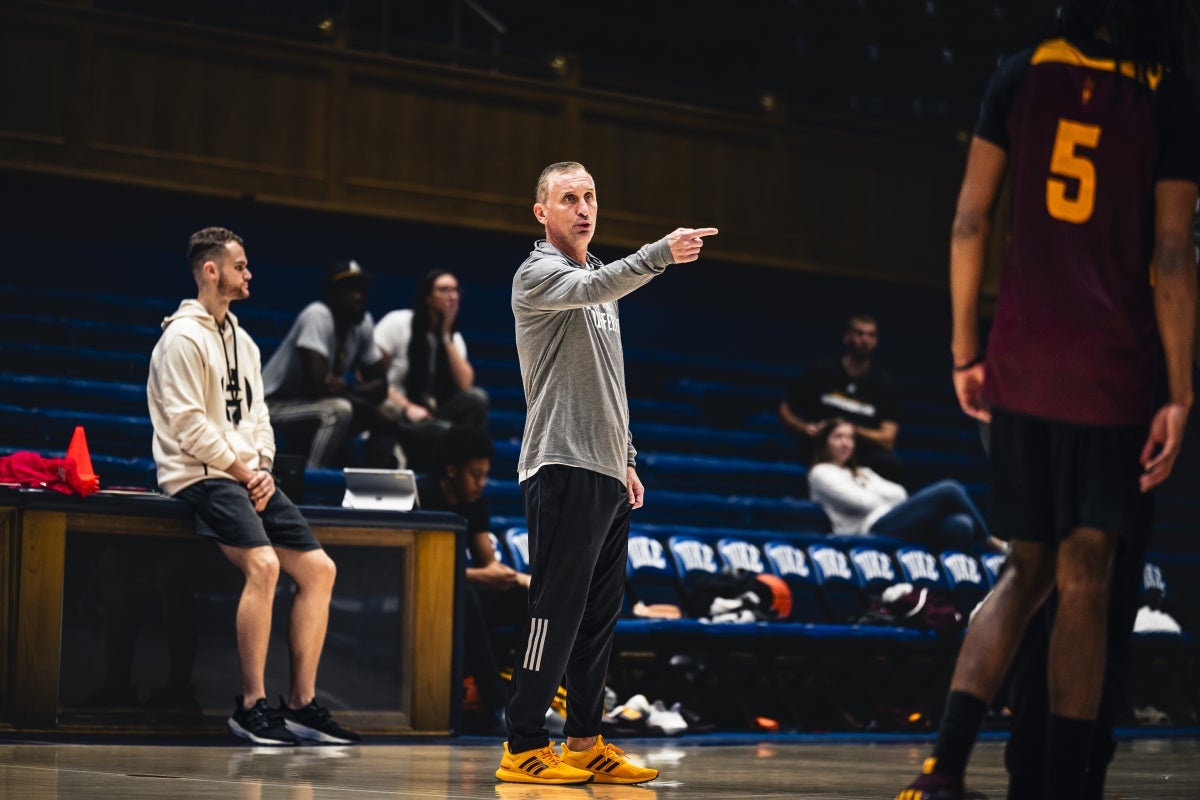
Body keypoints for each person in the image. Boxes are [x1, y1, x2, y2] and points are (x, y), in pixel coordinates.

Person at [896, 2, 1198, 798]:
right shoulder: (1164, 91)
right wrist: (1180, 387)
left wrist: (967, 348)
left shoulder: (1019, 72)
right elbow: (1172, 251)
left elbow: (969, 220)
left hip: (1021, 357)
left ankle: (943, 767)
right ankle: (1066, 783)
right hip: (1110, 367)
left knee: (1022, 569)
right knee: (1088, 578)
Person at [496, 160, 717, 785]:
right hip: (559, 463)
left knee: (598, 614)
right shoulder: (538, 273)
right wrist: (660, 254)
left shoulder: (598, 278)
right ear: (542, 212)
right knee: (554, 610)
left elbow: (609, 379)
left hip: (603, 470)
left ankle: (585, 740)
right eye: (569, 198)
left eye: (590, 196)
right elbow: (602, 286)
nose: (584, 207)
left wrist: (626, 458)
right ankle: (523, 744)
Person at [148, 227, 359, 746]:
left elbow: (261, 417)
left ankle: (301, 706)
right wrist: (245, 473)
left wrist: (262, 466)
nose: (249, 274)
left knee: (319, 570)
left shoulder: (243, 340)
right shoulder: (180, 338)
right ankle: (249, 706)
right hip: (199, 475)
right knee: (264, 566)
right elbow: (189, 427)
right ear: (211, 270)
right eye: (240, 266)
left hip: (247, 476)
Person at [415, 425, 527, 734]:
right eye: (475, 475)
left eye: (485, 474)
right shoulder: (420, 497)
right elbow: (420, 571)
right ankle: (495, 701)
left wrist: (516, 580)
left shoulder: (475, 503)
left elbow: (487, 564)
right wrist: (487, 576)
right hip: (419, 596)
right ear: (451, 471)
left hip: (460, 593)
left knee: (523, 597)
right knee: (465, 592)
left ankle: (527, 695)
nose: (482, 483)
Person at [261, 260, 395, 469]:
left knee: (389, 411)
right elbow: (319, 387)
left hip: (312, 404)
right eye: (349, 290)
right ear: (331, 293)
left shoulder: (363, 322)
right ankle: (314, 482)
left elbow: (381, 385)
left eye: (361, 290)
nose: (358, 296)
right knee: (337, 411)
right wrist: (364, 403)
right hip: (272, 406)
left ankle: (374, 487)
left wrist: (346, 387)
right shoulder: (317, 315)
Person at [807, 419, 1005, 553]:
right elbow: (861, 503)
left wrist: (870, 494)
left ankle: (939, 592)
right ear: (825, 442)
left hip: (890, 521)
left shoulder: (863, 472)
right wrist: (872, 495)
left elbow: (900, 494)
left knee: (962, 524)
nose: (845, 443)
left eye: (850, 438)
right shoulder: (821, 473)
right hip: (868, 529)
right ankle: (990, 541)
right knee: (950, 489)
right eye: (838, 437)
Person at [374, 270, 489, 470]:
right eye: (444, 290)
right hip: (397, 411)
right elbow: (370, 378)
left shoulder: (454, 340)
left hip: (433, 414)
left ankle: (467, 472)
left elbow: (465, 384)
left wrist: (445, 335)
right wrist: (407, 407)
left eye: (455, 290)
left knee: (477, 399)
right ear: (427, 297)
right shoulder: (398, 323)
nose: (452, 296)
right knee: (449, 433)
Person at [779, 313, 904, 483]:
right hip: (819, 445)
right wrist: (802, 427)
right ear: (847, 337)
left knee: (892, 465)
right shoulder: (821, 370)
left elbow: (887, 438)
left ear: (876, 342)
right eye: (859, 334)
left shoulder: (885, 384)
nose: (865, 340)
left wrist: (849, 428)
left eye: (871, 335)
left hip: (861, 452)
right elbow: (785, 409)